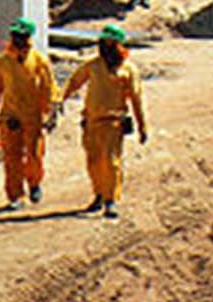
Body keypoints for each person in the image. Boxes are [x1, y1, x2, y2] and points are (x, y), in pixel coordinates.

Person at [58, 25, 148, 217]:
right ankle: (98, 194)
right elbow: (74, 82)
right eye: (104, 42)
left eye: (110, 43)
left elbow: (136, 99)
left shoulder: (128, 70)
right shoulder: (92, 66)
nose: (106, 47)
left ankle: (110, 200)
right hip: (91, 122)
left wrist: (142, 126)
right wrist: (60, 99)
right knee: (94, 162)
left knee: (111, 162)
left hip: (113, 123)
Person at [0, 16, 57, 209]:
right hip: (10, 116)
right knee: (12, 158)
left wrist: (51, 110)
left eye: (21, 36)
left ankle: (34, 183)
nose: (17, 39)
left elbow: (48, 87)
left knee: (34, 155)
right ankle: (16, 196)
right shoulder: (3, 61)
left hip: (32, 116)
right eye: (15, 35)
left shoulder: (39, 60)